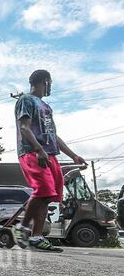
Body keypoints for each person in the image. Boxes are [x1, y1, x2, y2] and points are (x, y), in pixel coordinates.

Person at [13, 69, 85, 252]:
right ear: (46, 81)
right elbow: (24, 128)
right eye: (50, 82)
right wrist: (38, 149)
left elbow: (54, 136)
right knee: (43, 189)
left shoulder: (46, 107)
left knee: (47, 197)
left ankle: (36, 237)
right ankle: (22, 228)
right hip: (33, 152)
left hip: (49, 154)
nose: (51, 86)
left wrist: (73, 155)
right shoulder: (26, 100)